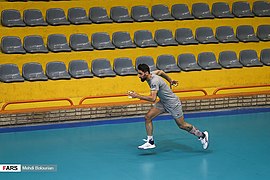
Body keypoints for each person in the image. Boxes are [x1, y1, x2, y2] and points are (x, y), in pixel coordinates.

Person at [127, 64, 209, 150]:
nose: (139, 76)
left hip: (173, 103)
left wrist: (137, 95)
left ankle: (202, 135)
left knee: (182, 125)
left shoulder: (154, 81)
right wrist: (170, 80)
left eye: (140, 74)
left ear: (146, 73)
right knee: (148, 117)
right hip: (163, 102)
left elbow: (153, 98)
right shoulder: (152, 74)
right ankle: (150, 142)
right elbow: (160, 72)